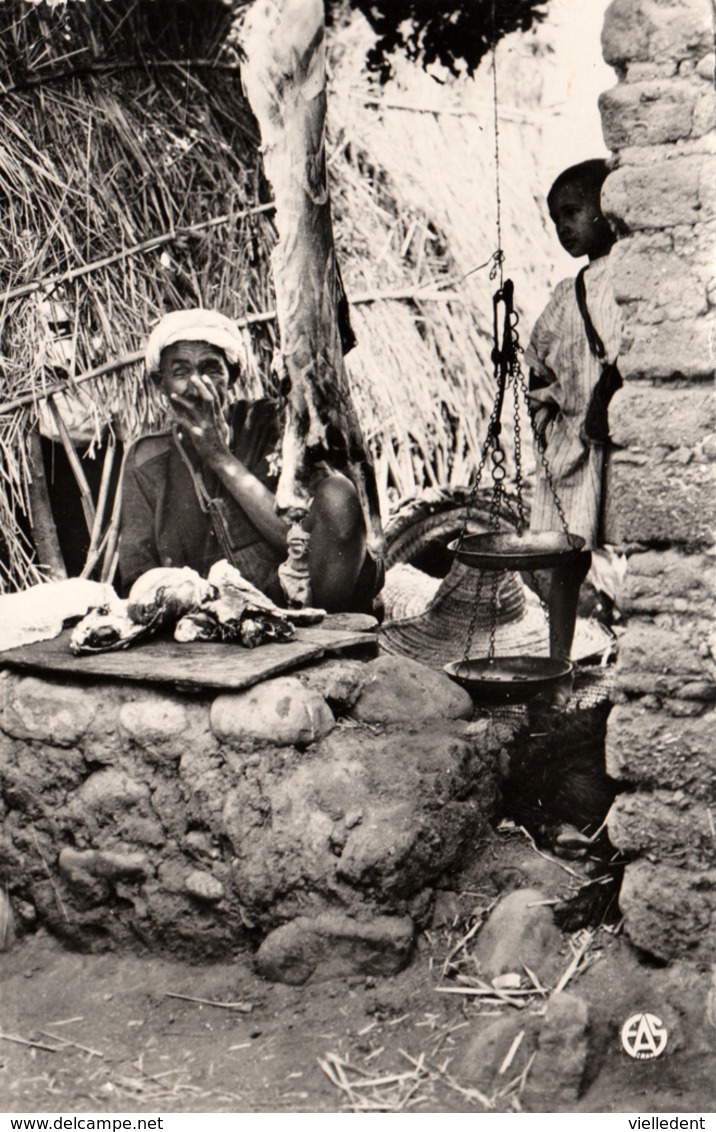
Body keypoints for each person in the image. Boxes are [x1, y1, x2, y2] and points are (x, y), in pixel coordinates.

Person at [118, 309, 381, 613]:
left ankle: (334, 641)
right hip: (199, 622)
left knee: (338, 494)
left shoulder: (270, 425)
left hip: (292, 606)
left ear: (232, 377)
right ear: (159, 383)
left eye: (210, 368)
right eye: (179, 372)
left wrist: (219, 456)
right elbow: (138, 578)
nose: (196, 385)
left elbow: (311, 540)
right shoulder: (147, 460)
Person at [526, 159, 622, 682]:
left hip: (618, 438)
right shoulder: (569, 295)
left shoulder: (629, 277)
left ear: (607, 211)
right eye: (555, 218)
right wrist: (544, 412)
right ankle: (557, 659)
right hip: (578, 444)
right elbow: (538, 359)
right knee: (565, 558)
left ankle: (627, 650)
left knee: (622, 549)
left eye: (572, 212)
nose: (564, 227)